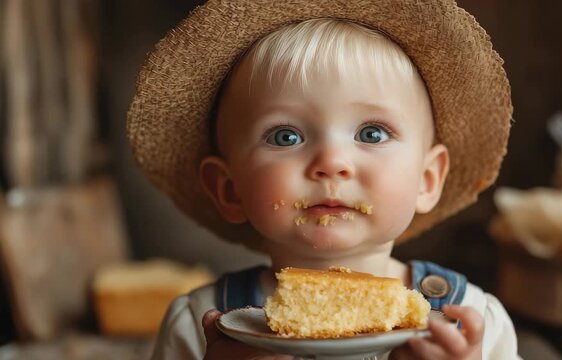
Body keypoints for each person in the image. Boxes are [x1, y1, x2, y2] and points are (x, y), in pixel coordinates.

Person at [127, 1, 518, 359]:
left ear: (427, 180)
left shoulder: (470, 322)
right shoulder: (197, 327)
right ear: (229, 189)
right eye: (286, 136)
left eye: (372, 133)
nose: (331, 163)